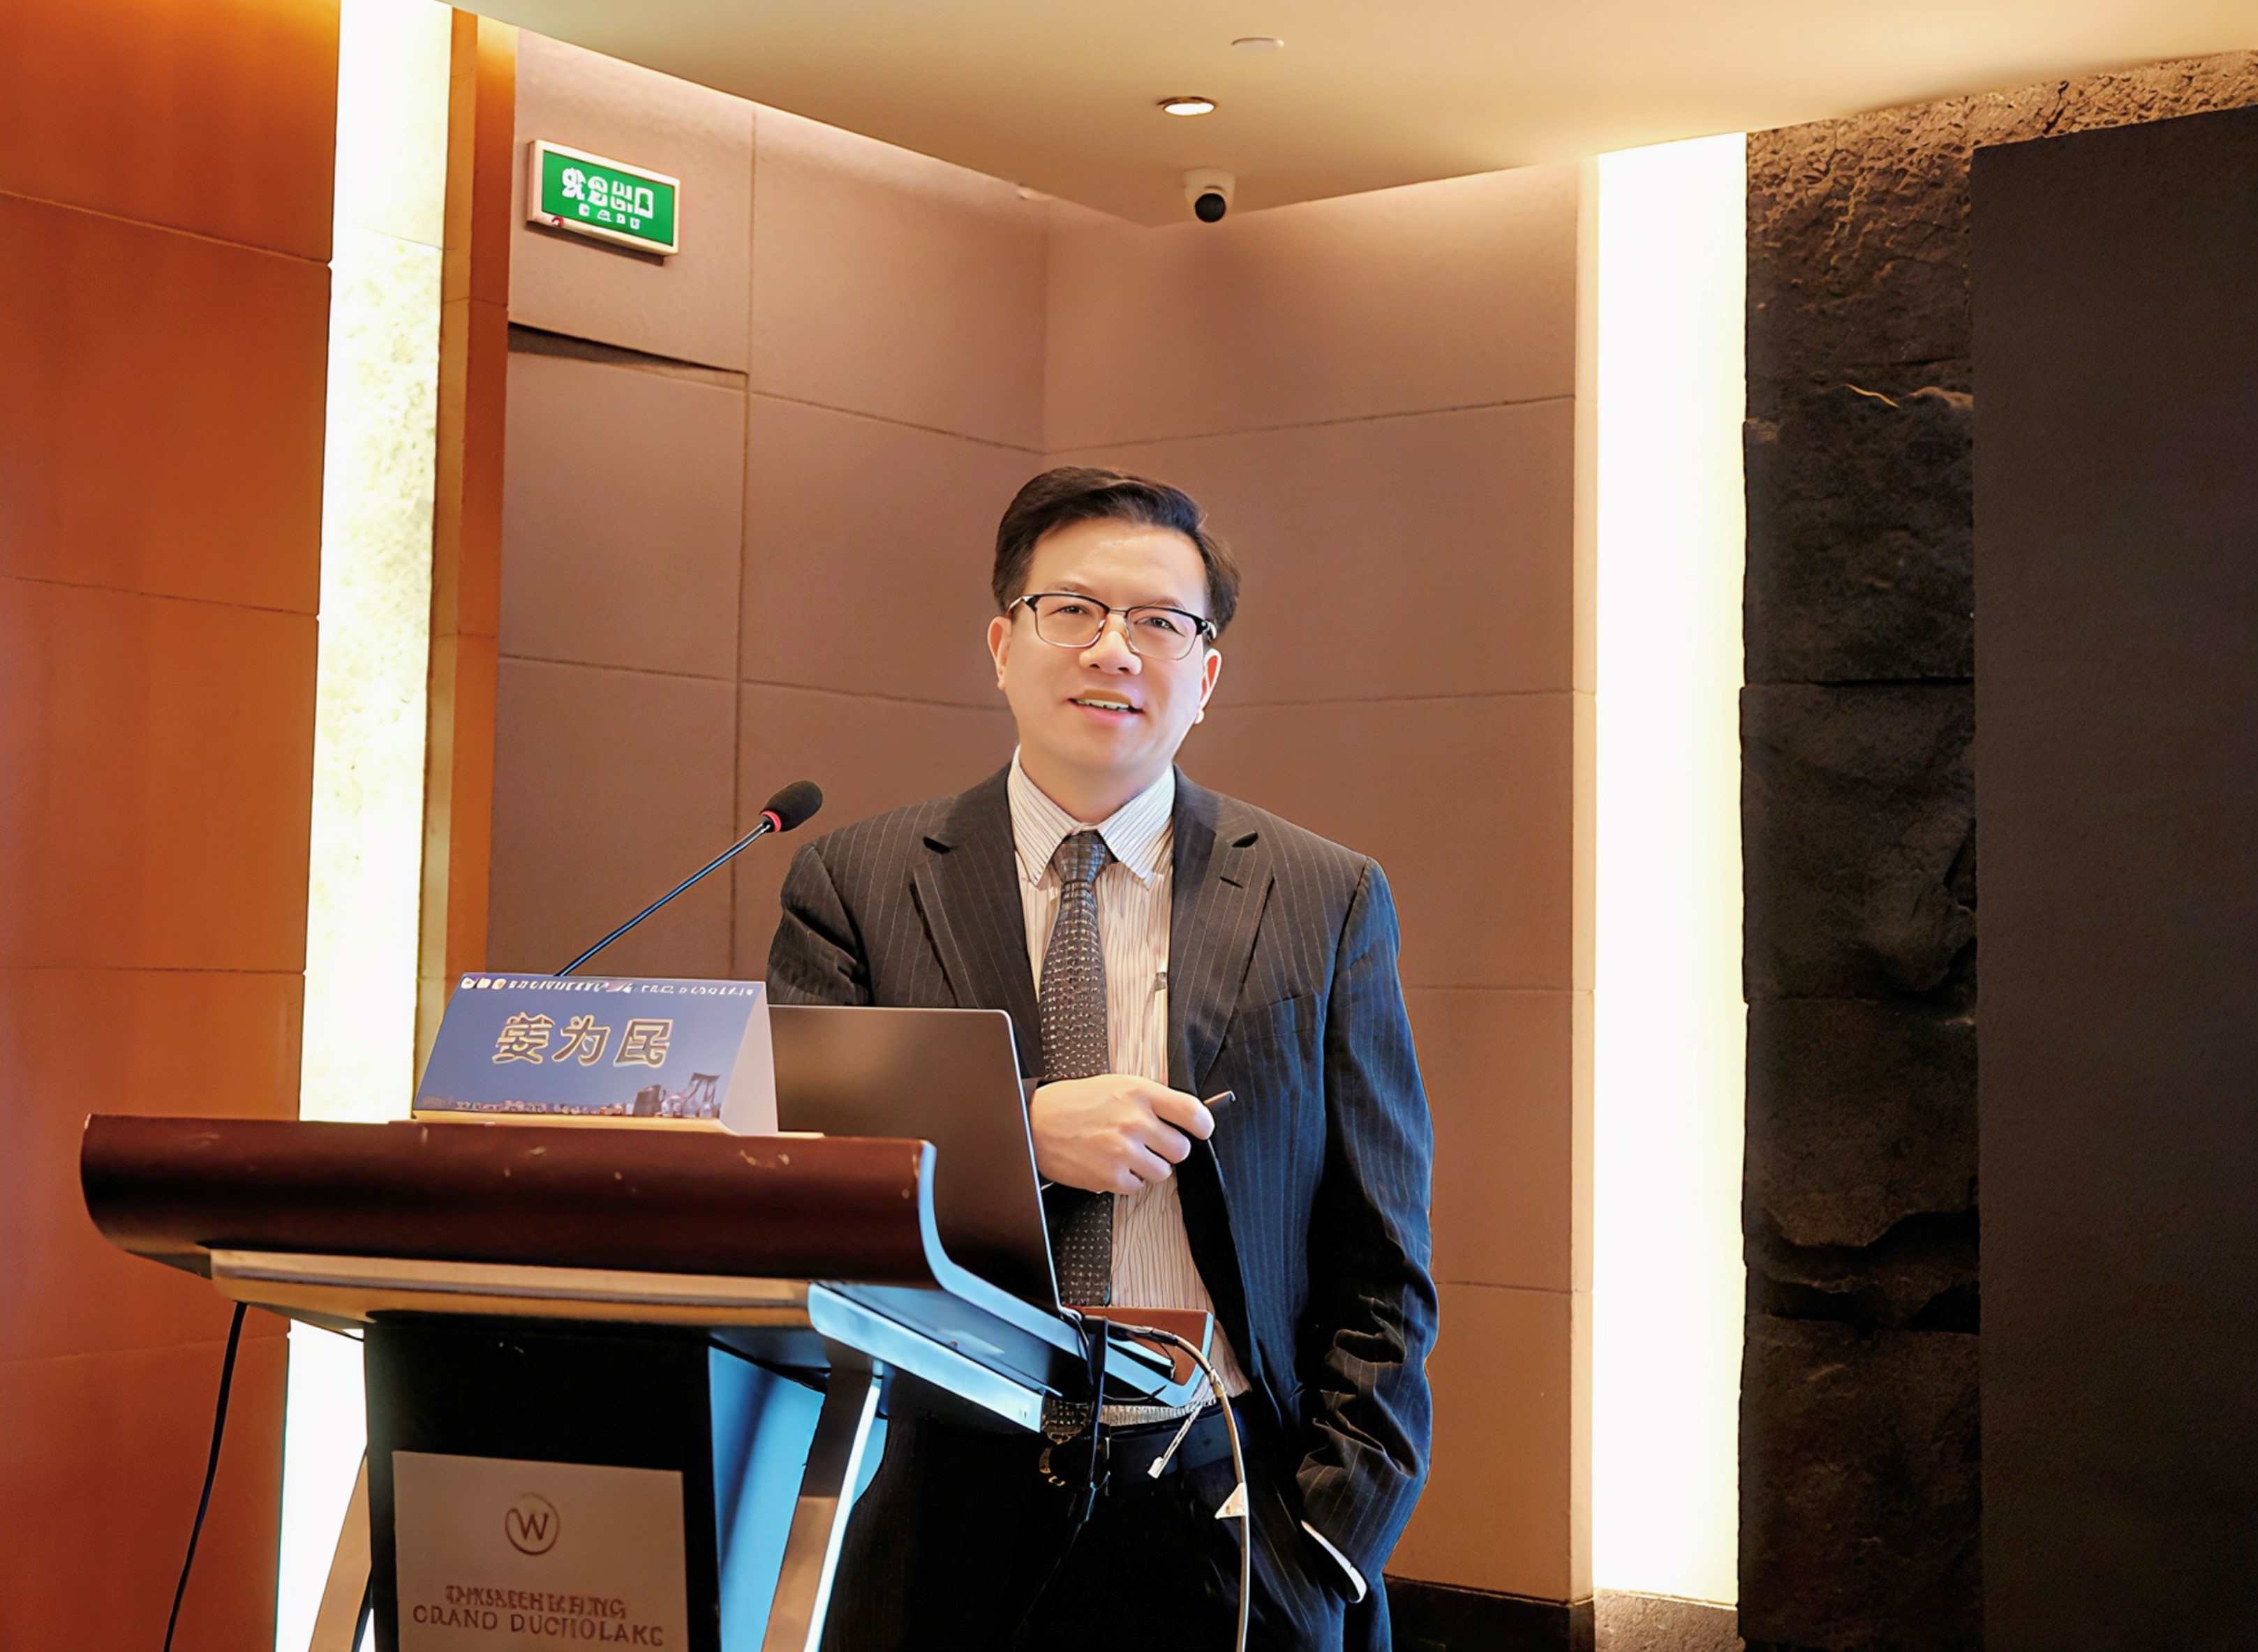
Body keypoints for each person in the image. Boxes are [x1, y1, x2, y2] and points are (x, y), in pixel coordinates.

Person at [768, 467, 1436, 1651]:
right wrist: (1020, 1133)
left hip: (1228, 1497)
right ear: (1002, 645)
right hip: (940, 1491)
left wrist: (1330, 1536)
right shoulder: (858, 883)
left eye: (1160, 622)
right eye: (1071, 610)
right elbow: (807, 1168)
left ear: (1205, 675)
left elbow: (1380, 1248)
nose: (1113, 650)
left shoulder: (1322, 897)